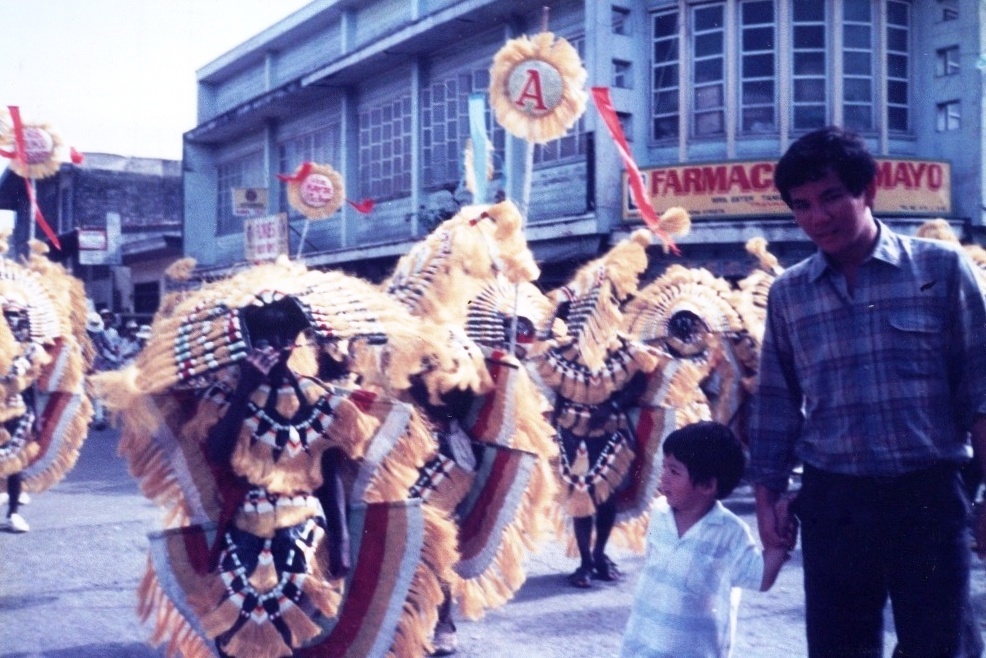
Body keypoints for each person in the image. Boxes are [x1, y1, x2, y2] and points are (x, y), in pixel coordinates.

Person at [749, 126, 986, 657]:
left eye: (833, 196)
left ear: (868, 191)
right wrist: (767, 501)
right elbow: (775, 407)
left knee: (938, 647)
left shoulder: (941, 269)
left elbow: (981, 390)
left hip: (928, 497)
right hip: (836, 502)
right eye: (803, 205)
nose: (819, 216)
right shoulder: (790, 294)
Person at [619, 421, 789, 658]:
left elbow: (760, 578)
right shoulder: (658, 513)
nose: (663, 477)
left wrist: (777, 545)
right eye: (665, 467)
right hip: (642, 645)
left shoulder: (730, 533)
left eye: (674, 471)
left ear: (708, 485)